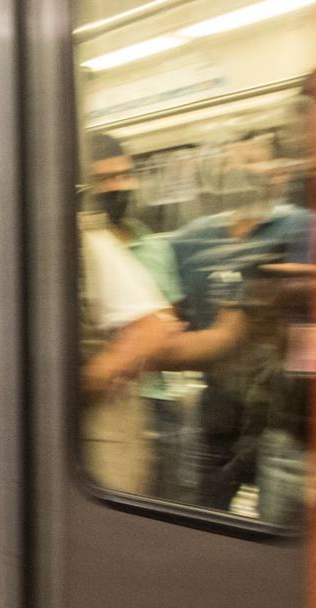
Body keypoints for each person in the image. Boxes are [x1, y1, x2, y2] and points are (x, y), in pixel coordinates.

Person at [159, 129, 316, 514]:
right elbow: (171, 307)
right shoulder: (193, 240)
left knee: (275, 520)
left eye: (256, 163)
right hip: (218, 405)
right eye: (237, 164)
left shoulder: (303, 229)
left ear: (278, 173)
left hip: (280, 410)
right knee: (202, 512)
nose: (246, 174)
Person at [86, 133, 189, 499]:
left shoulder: (156, 247)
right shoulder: (86, 246)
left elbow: (169, 324)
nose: (118, 187)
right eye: (106, 179)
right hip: (108, 413)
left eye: (124, 175)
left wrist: (123, 353)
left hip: (159, 399)